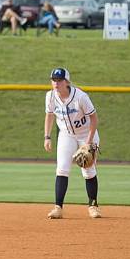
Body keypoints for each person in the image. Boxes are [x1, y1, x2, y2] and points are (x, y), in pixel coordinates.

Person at [43, 67, 102, 219]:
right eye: (54, 80)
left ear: (67, 81)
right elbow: (49, 115)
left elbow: (94, 119)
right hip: (66, 135)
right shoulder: (50, 96)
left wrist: (87, 143)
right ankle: (58, 208)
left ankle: (93, 206)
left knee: (88, 171)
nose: (56, 83)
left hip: (86, 134)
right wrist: (47, 136)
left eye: (60, 80)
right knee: (62, 169)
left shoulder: (80, 96)